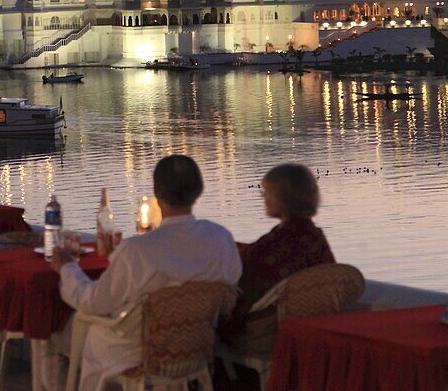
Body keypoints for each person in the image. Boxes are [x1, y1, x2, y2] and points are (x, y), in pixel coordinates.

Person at [51, 155, 242, 391]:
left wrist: (67, 268)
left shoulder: (137, 251)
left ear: (157, 194)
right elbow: (228, 285)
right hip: (194, 347)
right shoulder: (220, 239)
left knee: (61, 326)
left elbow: (94, 303)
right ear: (198, 191)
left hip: (136, 352)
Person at [221, 163, 335, 338]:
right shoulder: (314, 237)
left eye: (266, 193)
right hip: (310, 326)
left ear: (282, 198)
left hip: (270, 331)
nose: (263, 198)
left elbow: (246, 277)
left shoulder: (278, 242)